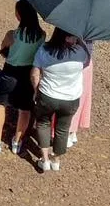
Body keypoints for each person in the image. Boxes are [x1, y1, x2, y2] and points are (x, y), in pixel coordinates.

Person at [0, 0, 44, 156]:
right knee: (25, 108)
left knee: (1, 103)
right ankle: (16, 142)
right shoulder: (41, 35)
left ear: (20, 16)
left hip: (10, 71)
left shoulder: (13, 34)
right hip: (29, 73)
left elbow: (3, 48)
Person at [30, 28, 91, 173]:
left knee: (43, 123)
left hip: (47, 95)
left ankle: (44, 159)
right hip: (70, 99)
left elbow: (34, 74)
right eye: (73, 36)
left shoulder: (44, 50)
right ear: (66, 38)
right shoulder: (81, 53)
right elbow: (86, 63)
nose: (75, 39)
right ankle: (56, 160)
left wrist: (36, 90)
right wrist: (82, 42)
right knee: (62, 130)